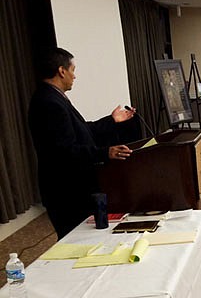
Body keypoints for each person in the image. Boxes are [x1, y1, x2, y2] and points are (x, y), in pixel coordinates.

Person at [28, 47, 137, 239]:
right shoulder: (49, 102)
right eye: (73, 69)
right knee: (75, 240)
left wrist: (112, 121)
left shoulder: (53, 97)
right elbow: (64, 151)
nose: (74, 76)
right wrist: (105, 153)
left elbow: (82, 131)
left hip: (72, 187)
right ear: (62, 71)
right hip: (66, 191)